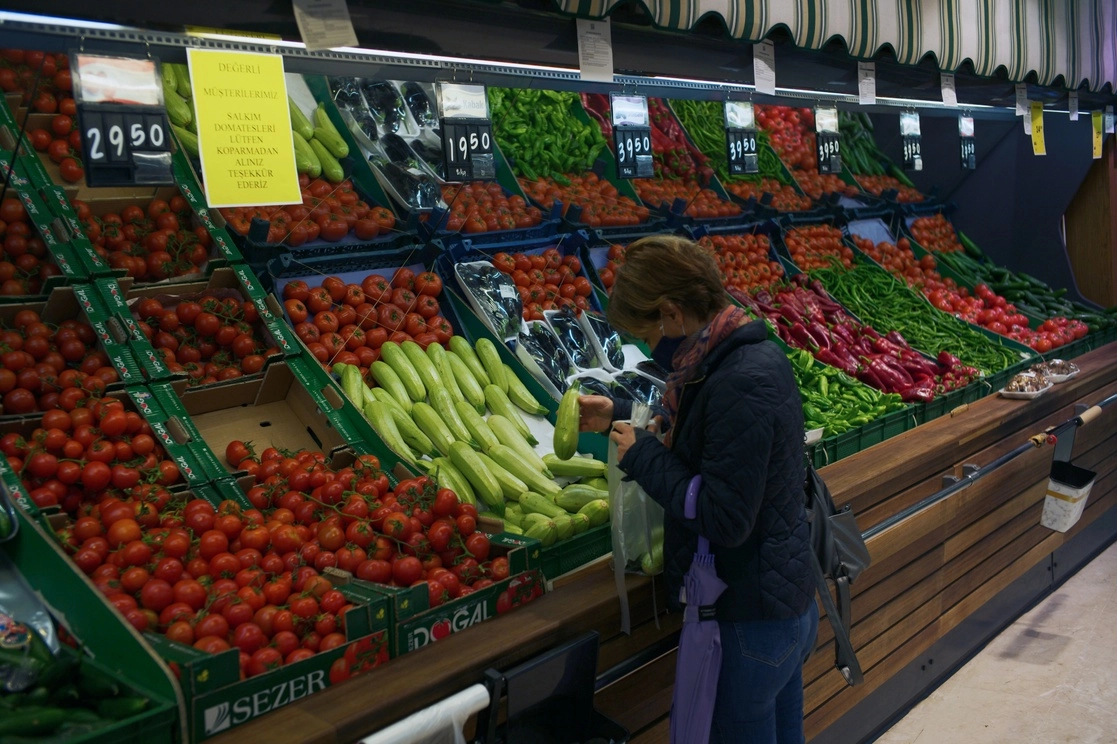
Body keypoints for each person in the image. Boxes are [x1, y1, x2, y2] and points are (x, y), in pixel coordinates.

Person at [579, 235, 818, 744]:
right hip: (777, 608)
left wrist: (642, 456)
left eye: (647, 332)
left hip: (748, 622)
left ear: (672, 313)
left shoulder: (738, 378)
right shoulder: (734, 357)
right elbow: (709, 439)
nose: (647, 346)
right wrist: (618, 418)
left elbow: (725, 517)